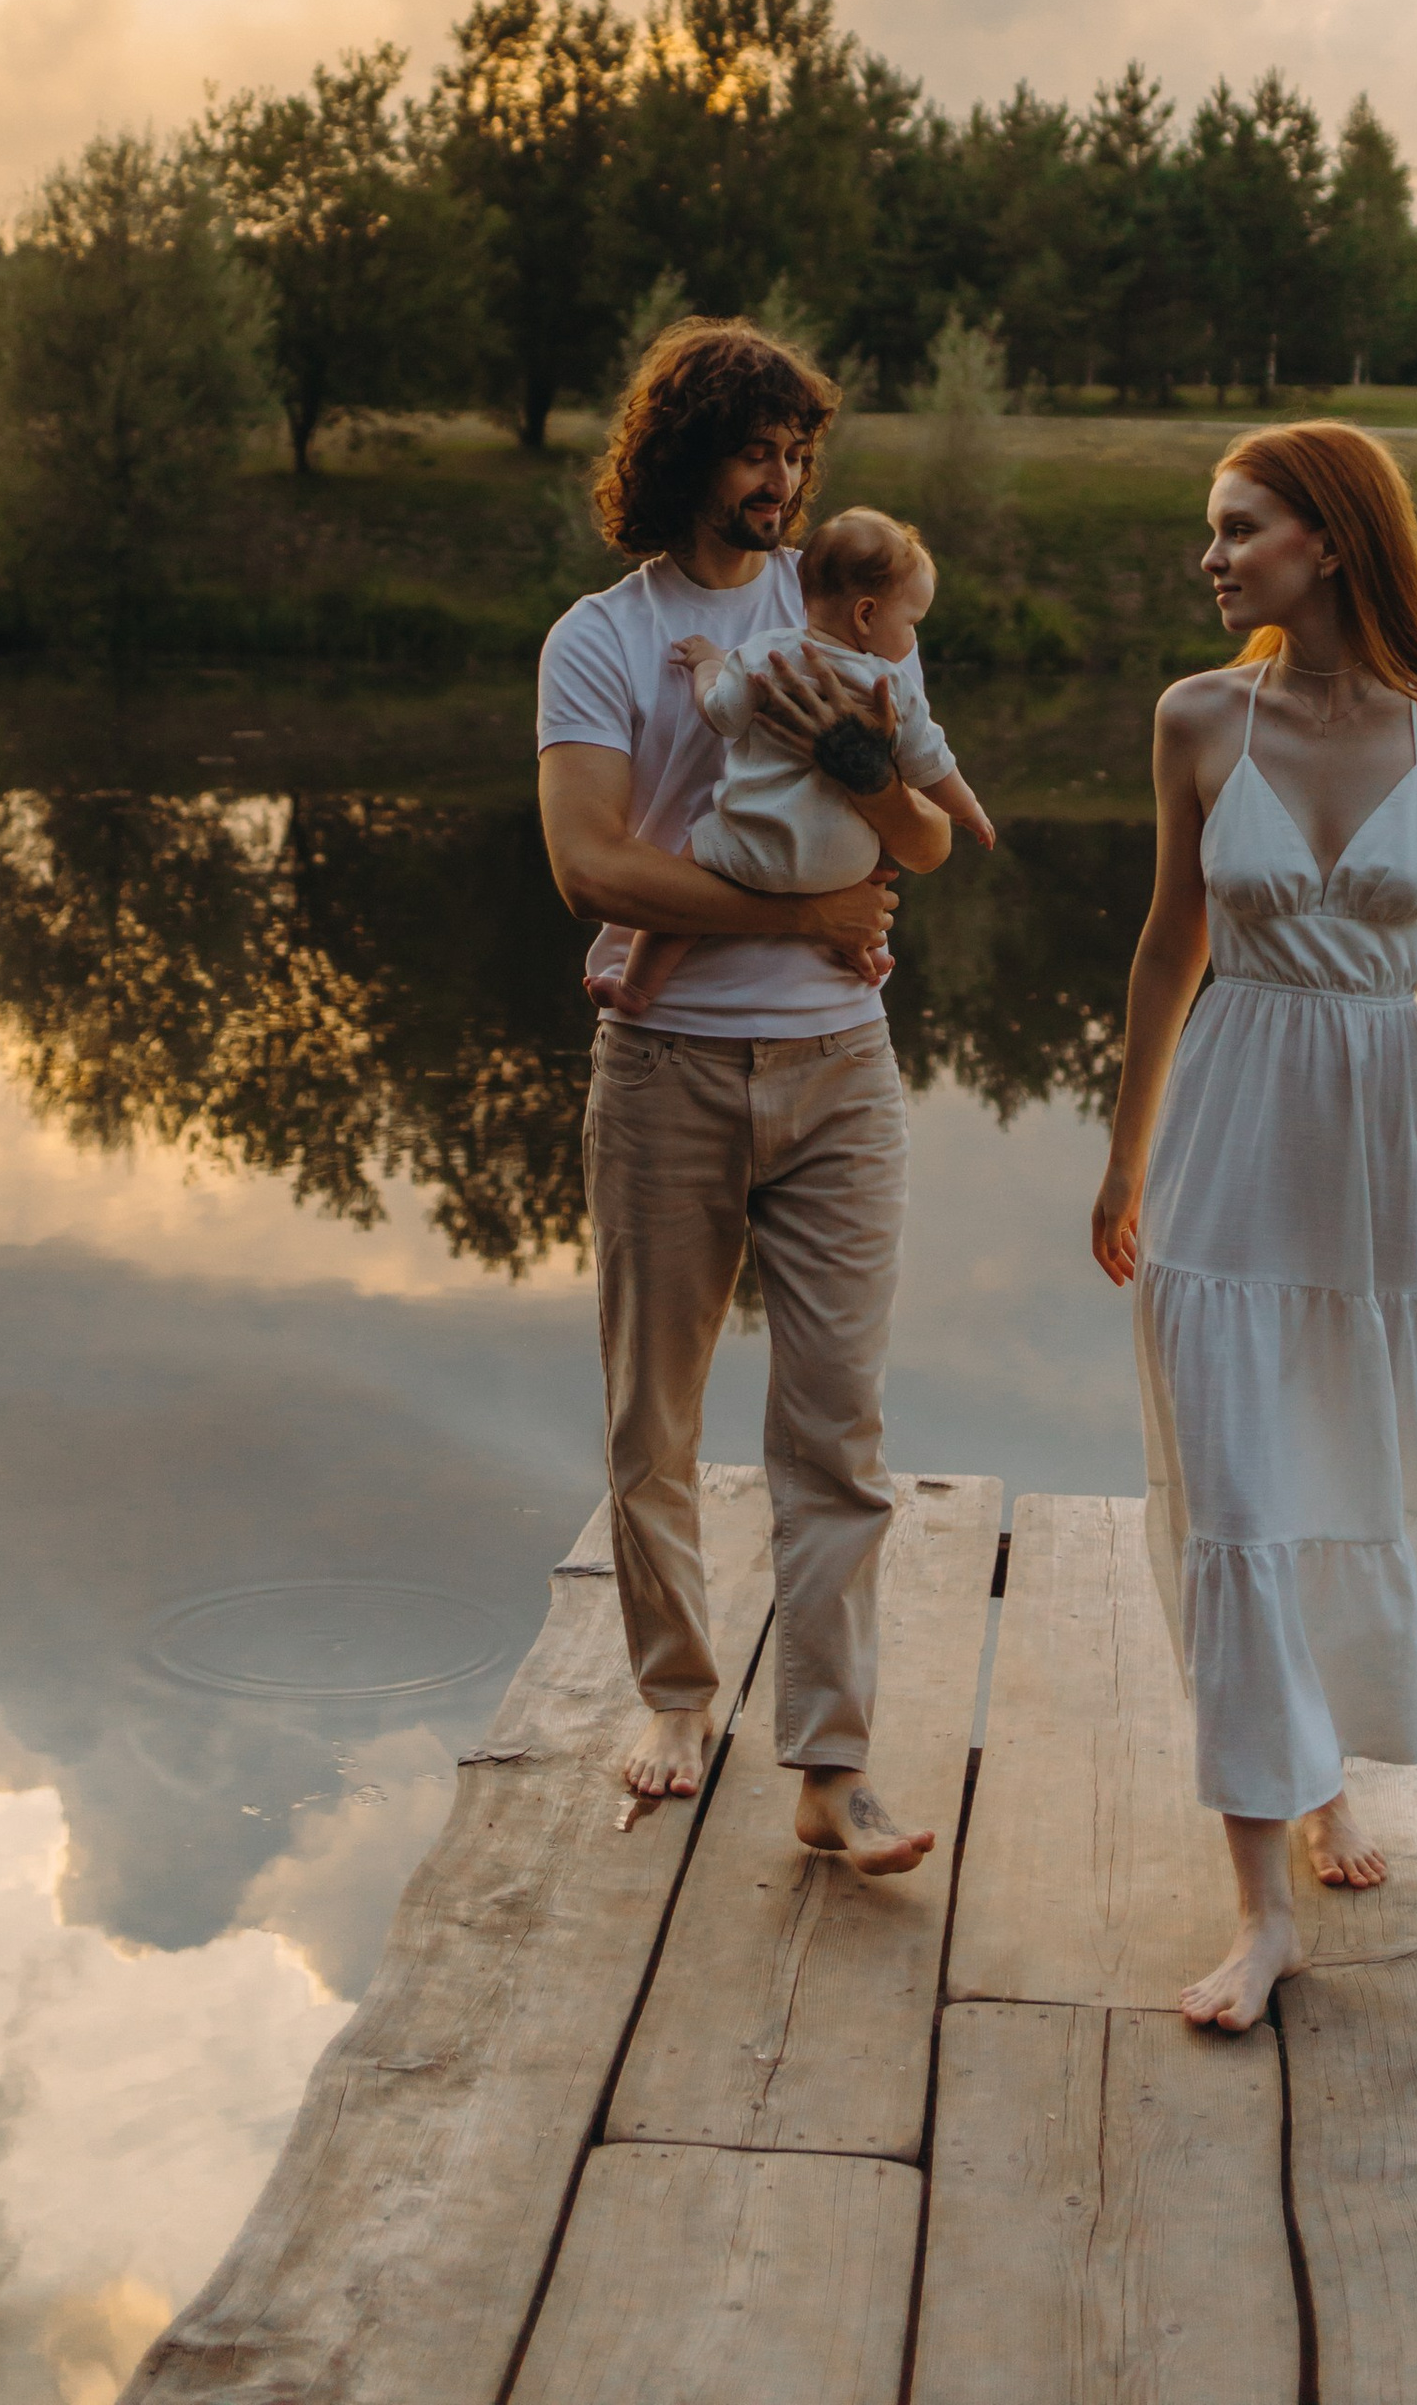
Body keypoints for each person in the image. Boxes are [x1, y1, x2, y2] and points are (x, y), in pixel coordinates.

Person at [1091, 419, 1417, 2032]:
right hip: (1228, 1135)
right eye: (1212, 534)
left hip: (1378, 1151)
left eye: (1239, 529)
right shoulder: (1197, 718)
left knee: (1344, 1470)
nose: (1212, 559)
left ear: (1331, 542)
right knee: (1239, 1496)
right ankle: (1260, 1911)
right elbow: (1169, 952)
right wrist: (1121, 1156)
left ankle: (1326, 1778)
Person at [537, 322, 957, 1874]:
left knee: (836, 1431)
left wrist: (846, 754)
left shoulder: (849, 601)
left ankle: (832, 1765)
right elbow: (591, 864)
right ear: (680, 456)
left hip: (845, 1072)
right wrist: (797, 919)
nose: (781, 481)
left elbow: (916, 845)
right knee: (653, 1414)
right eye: (753, 450)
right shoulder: (599, 639)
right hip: (664, 1074)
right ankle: (672, 1697)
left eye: (798, 453)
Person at [585, 504, 994, 1020]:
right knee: (873, 863)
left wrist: (709, 665)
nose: (913, 638)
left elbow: (722, 714)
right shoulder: (891, 685)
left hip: (756, 843)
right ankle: (867, 952)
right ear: (866, 614)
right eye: (913, 623)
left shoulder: (765, 655)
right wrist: (970, 809)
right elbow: (932, 764)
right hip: (844, 863)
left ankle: (637, 989)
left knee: (687, 874)